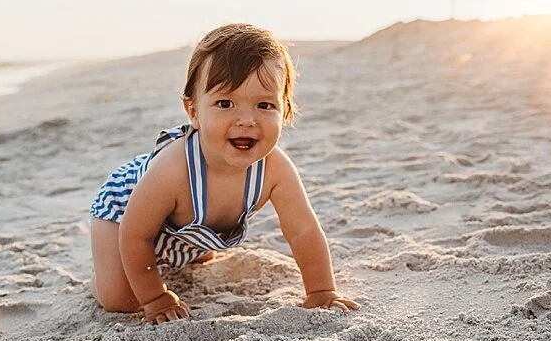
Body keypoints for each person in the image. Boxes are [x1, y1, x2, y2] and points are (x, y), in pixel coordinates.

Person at [89, 23, 360, 324]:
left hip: (184, 227)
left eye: (265, 105)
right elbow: (135, 235)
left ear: (284, 112)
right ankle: (104, 270)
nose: (246, 120)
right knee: (121, 299)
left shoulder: (275, 170)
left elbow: (303, 231)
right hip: (123, 214)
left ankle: (190, 248)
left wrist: (321, 290)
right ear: (193, 112)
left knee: (198, 255)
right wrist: (155, 297)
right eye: (225, 103)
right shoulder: (173, 168)